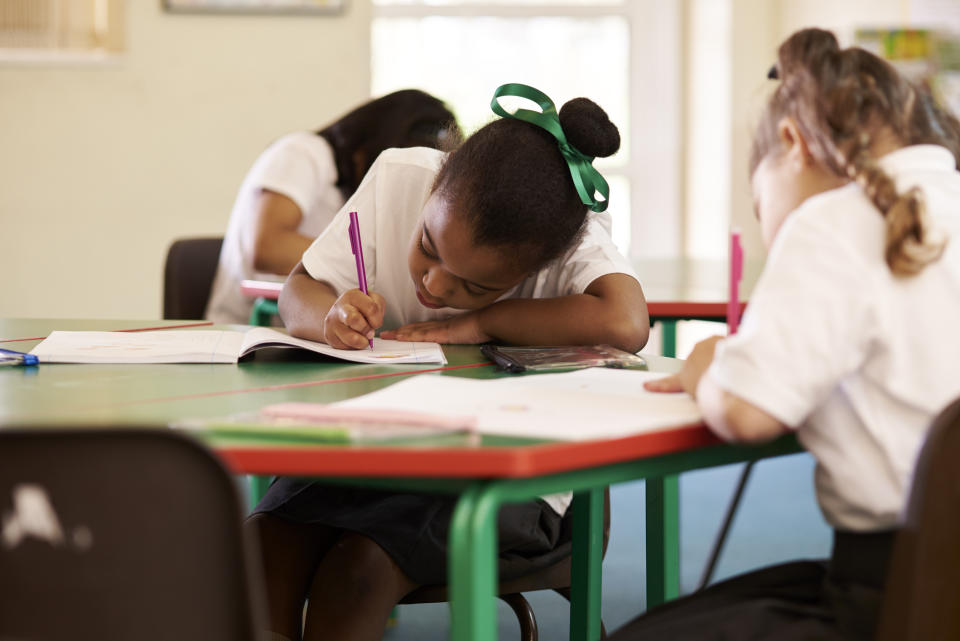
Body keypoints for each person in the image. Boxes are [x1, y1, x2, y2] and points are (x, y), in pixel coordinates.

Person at [249, 83, 649, 641]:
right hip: (378, 448)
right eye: (428, 248)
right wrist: (332, 315)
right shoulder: (399, 177)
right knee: (264, 543)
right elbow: (299, 293)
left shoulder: (569, 236)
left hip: (508, 478)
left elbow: (627, 323)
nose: (434, 286)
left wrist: (483, 323)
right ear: (435, 184)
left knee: (358, 568)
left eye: (477, 284)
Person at [608, 28, 960, 641]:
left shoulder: (833, 223)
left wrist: (707, 365)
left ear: (793, 143)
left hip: (896, 597)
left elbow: (747, 414)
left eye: (759, 202)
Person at [205, 89, 459, 325]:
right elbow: (267, 248)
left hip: (316, 332)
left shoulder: (351, 192)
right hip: (248, 329)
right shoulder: (302, 152)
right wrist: (377, 260)